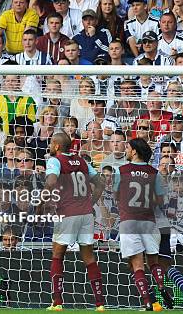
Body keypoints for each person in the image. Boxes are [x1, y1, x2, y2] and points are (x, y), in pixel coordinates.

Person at [44, 132, 105, 311]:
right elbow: (100, 183)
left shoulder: (55, 160)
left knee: (57, 253)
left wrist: (44, 196)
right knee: (89, 257)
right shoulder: (83, 161)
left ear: (56, 146)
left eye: (50, 143)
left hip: (68, 213)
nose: (49, 146)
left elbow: (52, 180)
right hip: (86, 213)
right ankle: (100, 304)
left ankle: (57, 303)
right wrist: (90, 202)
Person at [114, 138, 169, 311]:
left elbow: (116, 196)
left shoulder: (121, 171)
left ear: (135, 151)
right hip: (149, 222)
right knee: (153, 262)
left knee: (137, 265)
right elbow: (161, 200)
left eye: (128, 147)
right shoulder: (155, 172)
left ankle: (148, 302)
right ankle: (160, 286)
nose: (126, 150)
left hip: (129, 221)